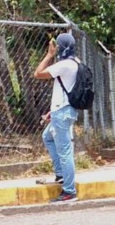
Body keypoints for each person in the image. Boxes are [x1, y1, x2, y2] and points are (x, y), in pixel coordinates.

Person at [34, 33, 79, 202]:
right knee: (47, 137)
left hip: (62, 113)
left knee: (65, 150)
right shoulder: (76, 62)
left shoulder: (65, 64)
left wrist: (49, 55)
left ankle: (69, 191)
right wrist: (52, 112)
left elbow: (38, 73)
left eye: (58, 46)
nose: (56, 48)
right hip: (64, 110)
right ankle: (61, 174)